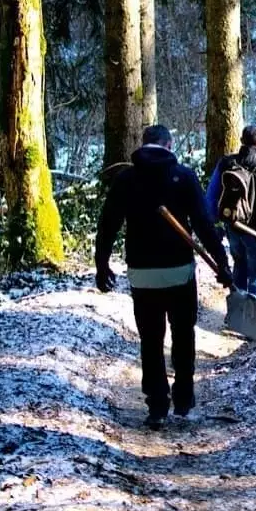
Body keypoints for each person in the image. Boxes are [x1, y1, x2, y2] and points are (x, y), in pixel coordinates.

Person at [95, 124, 232, 430]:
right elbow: (203, 224)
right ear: (169, 145)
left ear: (144, 145)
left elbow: (108, 224)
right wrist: (222, 262)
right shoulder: (183, 176)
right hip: (179, 272)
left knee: (151, 339)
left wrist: (101, 264)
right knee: (183, 334)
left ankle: (157, 403)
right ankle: (183, 398)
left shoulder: (126, 178)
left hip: (142, 274)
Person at [205, 125, 256, 303]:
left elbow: (210, 196)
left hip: (232, 225)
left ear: (241, 140)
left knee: (239, 265)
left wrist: (214, 222)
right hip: (255, 229)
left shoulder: (225, 163)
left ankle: (237, 312)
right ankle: (254, 319)